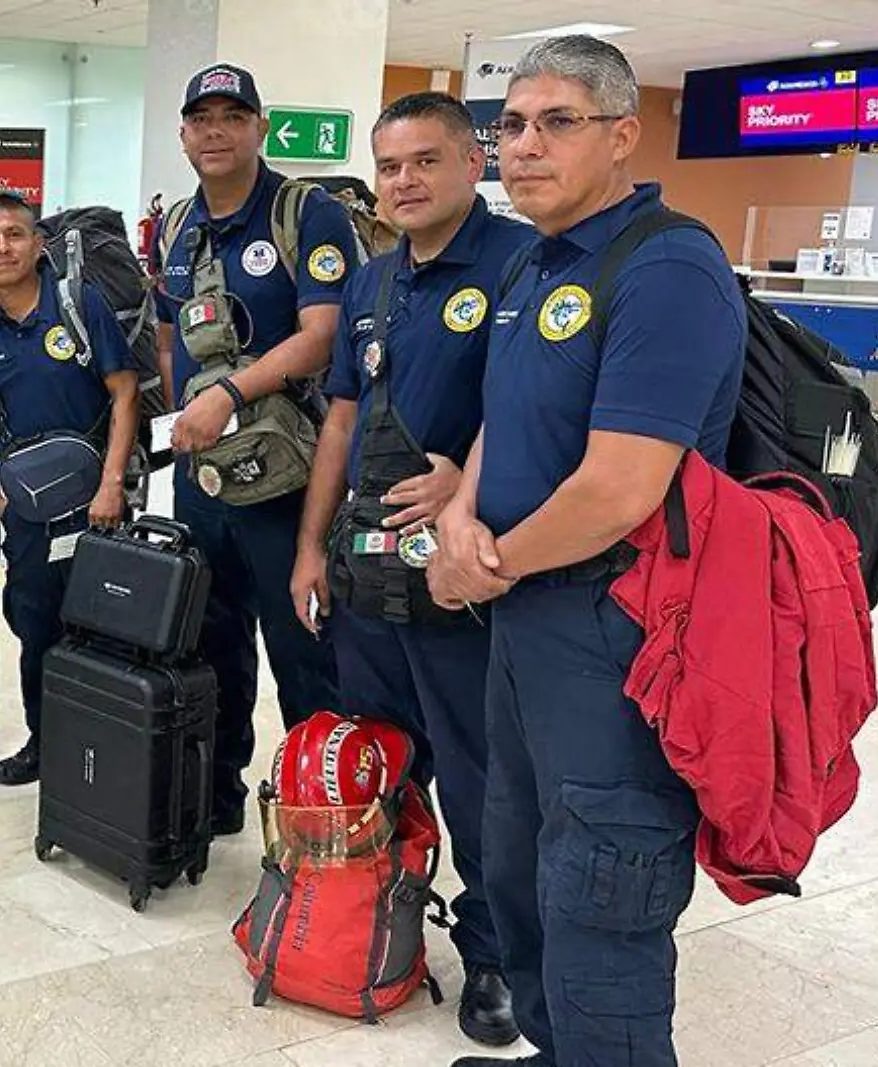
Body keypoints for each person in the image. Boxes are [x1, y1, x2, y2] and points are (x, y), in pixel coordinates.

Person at [426, 36, 745, 1067]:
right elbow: (497, 419)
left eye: (555, 122)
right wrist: (461, 516)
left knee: (603, 884)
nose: (523, 146)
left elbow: (619, 487)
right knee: (518, 862)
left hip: (618, 630)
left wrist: (487, 559)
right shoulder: (533, 255)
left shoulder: (666, 265)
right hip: (524, 623)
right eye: (510, 125)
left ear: (620, 134)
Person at [290, 91, 532, 1050]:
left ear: (475, 162)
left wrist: (465, 486)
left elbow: (537, 409)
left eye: (426, 161)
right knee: (382, 763)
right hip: (367, 580)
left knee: (480, 783)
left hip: (463, 586)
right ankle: (384, 922)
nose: (405, 181)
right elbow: (341, 422)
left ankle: (493, 955)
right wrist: (312, 546)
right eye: (390, 166)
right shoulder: (373, 281)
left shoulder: (520, 263)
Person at [153, 63, 355, 835]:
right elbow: (170, 338)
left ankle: (321, 817)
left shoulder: (306, 213)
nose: (214, 130)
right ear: (183, 133)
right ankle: (219, 794)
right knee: (211, 640)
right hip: (204, 476)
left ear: (259, 128)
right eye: (200, 117)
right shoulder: (176, 225)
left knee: (302, 648)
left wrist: (228, 396)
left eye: (232, 116)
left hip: (289, 477)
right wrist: (184, 419)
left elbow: (325, 333)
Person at [0, 189, 140, 785]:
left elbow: (124, 393)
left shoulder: (77, 303)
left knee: (104, 626)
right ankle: (46, 742)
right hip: (28, 514)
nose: (2, 247)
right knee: (36, 630)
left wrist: (112, 486)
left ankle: (107, 753)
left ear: (39, 245)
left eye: (14, 234)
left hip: (96, 507)